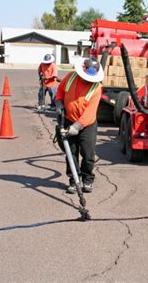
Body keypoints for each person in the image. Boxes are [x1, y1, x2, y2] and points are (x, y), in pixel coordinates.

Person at [55, 57, 103, 194]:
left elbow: (89, 113)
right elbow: (60, 91)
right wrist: (58, 102)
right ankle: (73, 180)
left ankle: (87, 180)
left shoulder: (97, 88)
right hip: (68, 120)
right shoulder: (71, 77)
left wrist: (77, 127)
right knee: (71, 153)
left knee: (88, 154)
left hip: (87, 125)